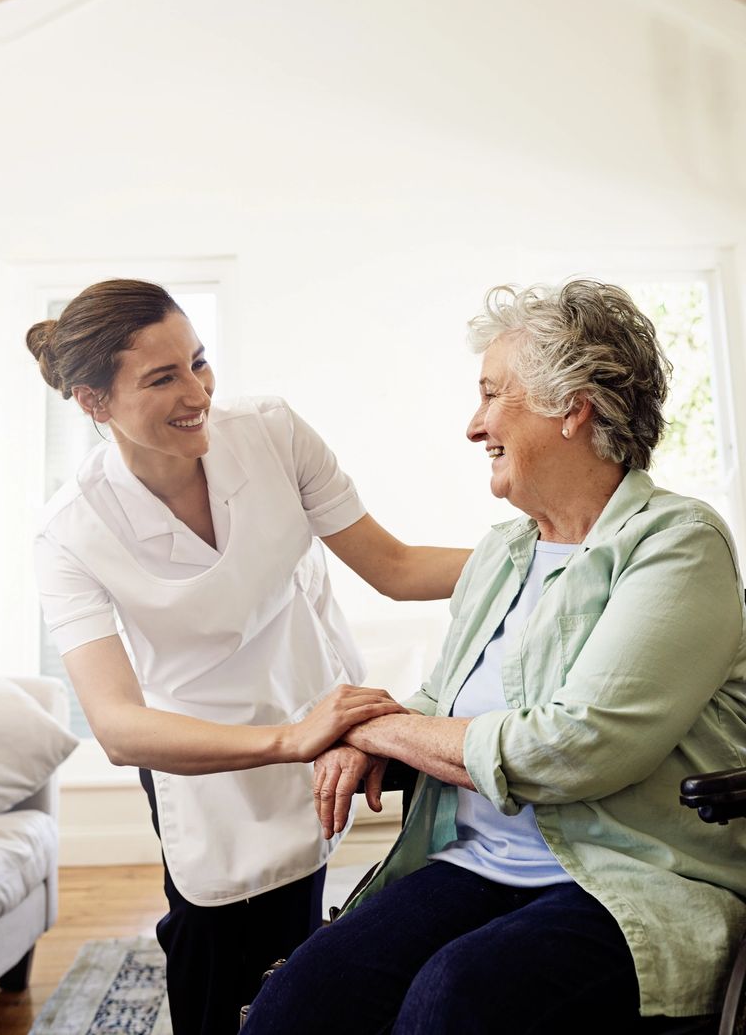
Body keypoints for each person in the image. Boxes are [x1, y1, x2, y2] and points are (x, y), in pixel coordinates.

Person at [243, 280, 746, 1034]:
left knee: (453, 997)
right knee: (301, 1000)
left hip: (626, 877)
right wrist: (374, 723)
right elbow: (442, 699)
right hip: (476, 861)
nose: (474, 425)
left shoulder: (675, 542)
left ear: (572, 406)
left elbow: (577, 747)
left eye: (490, 395)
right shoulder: (503, 551)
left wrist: (375, 726)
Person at [26, 278, 470, 1035]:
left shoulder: (271, 432)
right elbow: (119, 725)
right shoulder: (70, 530)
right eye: (163, 377)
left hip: (307, 706)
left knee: (299, 950)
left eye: (199, 362)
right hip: (198, 753)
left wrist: (550, 548)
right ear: (93, 402)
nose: (197, 390)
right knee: (212, 949)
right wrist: (285, 741)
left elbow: (393, 566)